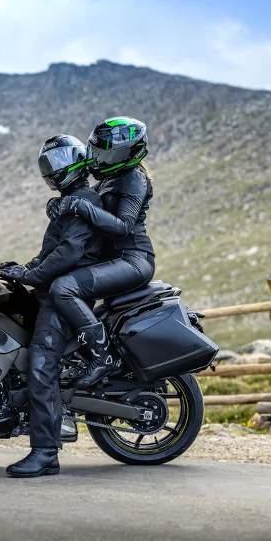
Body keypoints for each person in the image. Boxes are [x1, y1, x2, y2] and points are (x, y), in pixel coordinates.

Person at [0, 134, 105, 478]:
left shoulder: (82, 201)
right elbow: (53, 250)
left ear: (77, 162)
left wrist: (32, 274)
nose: (54, 170)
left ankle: (45, 453)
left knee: (41, 363)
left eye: (59, 162)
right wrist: (23, 269)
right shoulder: (71, 202)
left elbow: (70, 252)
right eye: (48, 164)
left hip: (64, 297)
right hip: (54, 291)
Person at [49, 117, 156, 388]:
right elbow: (88, 210)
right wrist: (59, 204)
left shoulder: (134, 178)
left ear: (128, 152)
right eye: (97, 151)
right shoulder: (108, 180)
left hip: (133, 260)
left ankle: (102, 358)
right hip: (114, 262)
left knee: (63, 288)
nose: (99, 159)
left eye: (107, 153)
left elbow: (122, 226)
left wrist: (78, 206)